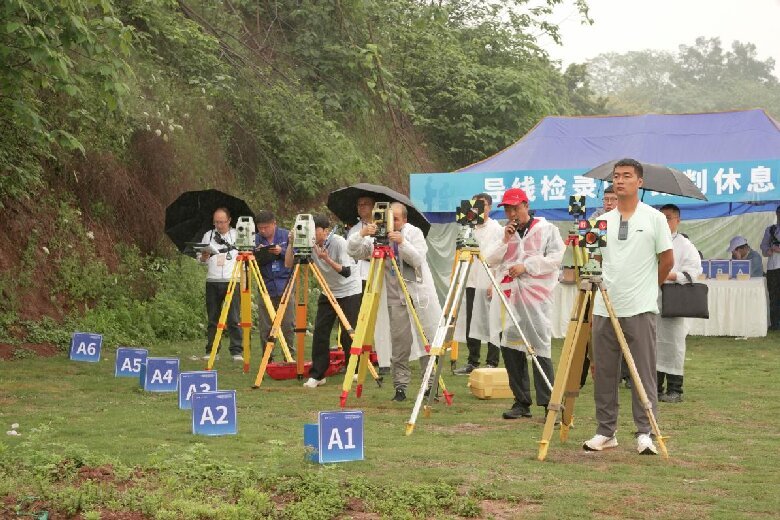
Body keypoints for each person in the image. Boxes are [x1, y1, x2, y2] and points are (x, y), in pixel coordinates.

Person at [582, 158, 673, 456]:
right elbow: (592, 264)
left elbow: (667, 260)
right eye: (616, 176)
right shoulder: (600, 222)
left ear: (640, 182)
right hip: (604, 308)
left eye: (627, 176)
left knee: (642, 373)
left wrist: (650, 289)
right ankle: (605, 431)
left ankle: (645, 432)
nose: (620, 181)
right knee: (605, 372)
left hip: (640, 308)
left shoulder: (654, 218)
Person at [482, 188, 563, 419]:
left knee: (539, 347)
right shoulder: (504, 232)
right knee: (510, 347)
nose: (511, 213)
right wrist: (505, 240)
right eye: (507, 208)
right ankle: (521, 401)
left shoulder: (546, 229)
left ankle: (549, 402)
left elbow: (555, 259)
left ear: (525, 205)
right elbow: (489, 259)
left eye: (515, 207)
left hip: (536, 299)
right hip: (509, 298)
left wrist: (527, 266)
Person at [347, 202, 440, 402]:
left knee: (427, 341)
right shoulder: (378, 236)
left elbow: (417, 260)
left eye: (396, 219)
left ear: (404, 220)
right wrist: (362, 233)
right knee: (399, 344)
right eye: (389, 218)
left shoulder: (413, 233)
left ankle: (430, 386)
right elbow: (353, 251)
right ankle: (400, 387)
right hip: (394, 298)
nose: (391, 223)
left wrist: (402, 243)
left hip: (418, 296)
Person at [285, 215, 362, 388]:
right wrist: (291, 242)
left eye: (315, 230)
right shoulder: (308, 243)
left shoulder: (339, 242)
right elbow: (289, 263)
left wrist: (326, 258)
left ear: (325, 231)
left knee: (347, 332)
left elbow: (346, 272)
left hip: (349, 290)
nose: (310, 233)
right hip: (328, 291)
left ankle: (353, 369)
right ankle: (318, 374)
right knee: (320, 332)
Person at [453, 193, 504, 375]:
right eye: (475, 205)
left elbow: (500, 256)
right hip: (471, 280)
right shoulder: (469, 227)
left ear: (489, 207)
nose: (478, 209)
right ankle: (472, 361)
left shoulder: (496, 229)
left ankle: (492, 361)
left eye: (481, 205)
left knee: (491, 322)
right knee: (470, 322)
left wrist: (494, 282)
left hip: (488, 281)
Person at [656, 204, 703, 403]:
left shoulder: (684, 244)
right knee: (652, 344)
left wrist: (668, 275)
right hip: (651, 298)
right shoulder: (652, 240)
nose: (665, 221)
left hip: (673, 299)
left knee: (674, 344)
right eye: (661, 217)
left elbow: (693, 272)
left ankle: (675, 388)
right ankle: (655, 387)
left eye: (668, 217)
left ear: (677, 220)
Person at [346, 195, 391, 374]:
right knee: (362, 318)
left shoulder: (385, 225)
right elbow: (352, 251)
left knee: (381, 317)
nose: (362, 207)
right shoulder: (355, 229)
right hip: (360, 275)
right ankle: (362, 357)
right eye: (359, 204)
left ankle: (384, 356)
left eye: (365, 204)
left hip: (380, 272)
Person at [198, 207, 243, 361]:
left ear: (229, 221)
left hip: (232, 280)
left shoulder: (238, 235)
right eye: (216, 222)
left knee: (234, 317)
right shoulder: (208, 235)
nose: (219, 225)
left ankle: (236, 351)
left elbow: (246, 257)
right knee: (213, 318)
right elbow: (201, 261)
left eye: (222, 222)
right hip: (212, 281)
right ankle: (212, 350)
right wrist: (204, 257)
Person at [254, 210, 295, 356]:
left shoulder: (286, 236)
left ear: (274, 224)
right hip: (266, 286)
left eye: (266, 227)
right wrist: (258, 253)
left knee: (288, 324)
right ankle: (268, 357)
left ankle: (289, 355)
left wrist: (281, 252)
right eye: (260, 228)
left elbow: (296, 256)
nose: (263, 231)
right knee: (266, 326)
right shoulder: (255, 239)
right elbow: (251, 261)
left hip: (285, 285)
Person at [760, 206, 780, 330]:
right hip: (773, 267)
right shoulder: (770, 230)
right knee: (774, 296)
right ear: (776, 214)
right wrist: (769, 250)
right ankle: (775, 323)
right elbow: (763, 247)